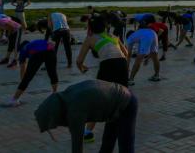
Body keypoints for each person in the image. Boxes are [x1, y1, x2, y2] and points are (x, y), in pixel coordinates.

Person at [35, 79, 137, 153]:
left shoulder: (75, 110)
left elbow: (77, 145)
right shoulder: (68, 94)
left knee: (125, 147)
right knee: (107, 143)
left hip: (126, 104)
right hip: (116, 100)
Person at [75, 15, 130, 143]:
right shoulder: (113, 37)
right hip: (122, 64)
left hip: (108, 65)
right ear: (105, 27)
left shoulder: (90, 39)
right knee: (122, 96)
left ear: (91, 28)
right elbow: (126, 53)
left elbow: (79, 60)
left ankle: (88, 133)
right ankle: (121, 127)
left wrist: (82, 68)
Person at [6, 39, 58, 107]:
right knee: (52, 73)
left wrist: (23, 82)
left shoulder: (24, 48)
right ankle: (55, 93)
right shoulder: (35, 42)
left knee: (27, 77)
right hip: (50, 51)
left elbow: (23, 68)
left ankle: (14, 99)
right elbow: (52, 42)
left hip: (38, 54)